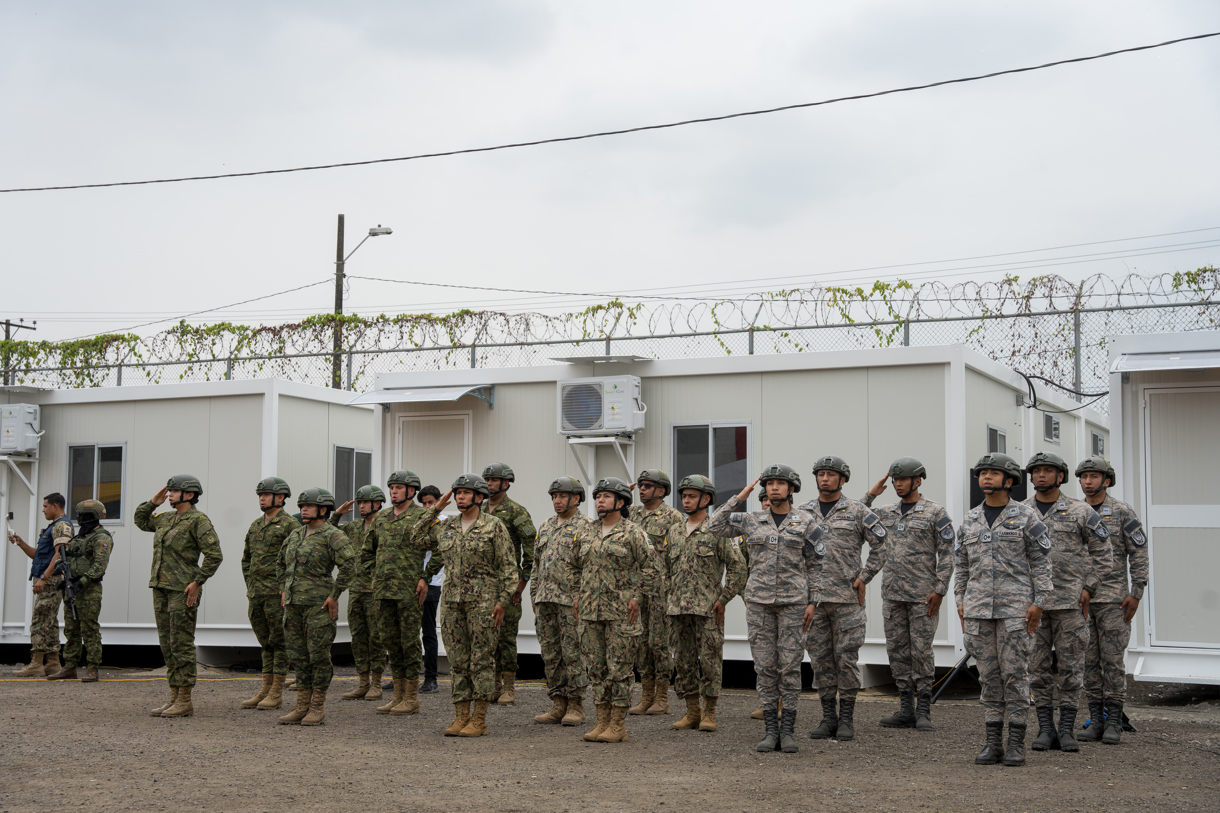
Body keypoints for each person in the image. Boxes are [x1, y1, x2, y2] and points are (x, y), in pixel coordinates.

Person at [710, 464, 818, 753]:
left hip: (794, 604)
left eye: (780, 484)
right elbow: (714, 525)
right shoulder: (751, 519)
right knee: (765, 667)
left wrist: (813, 601)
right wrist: (740, 496)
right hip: (758, 603)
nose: (773, 488)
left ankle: (788, 730)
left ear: (792, 489)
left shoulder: (807, 522)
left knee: (790, 666)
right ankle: (770, 730)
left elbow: (817, 566)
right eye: (769, 483)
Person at [955, 453, 1053, 767]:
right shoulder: (970, 519)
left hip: (1016, 611)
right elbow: (961, 565)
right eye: (982, 473)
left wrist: (1039, 603)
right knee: (989, 677)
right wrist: (961, 601)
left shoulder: (1027, 517)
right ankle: (992, 742)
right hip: (979, 611)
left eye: (993, 473)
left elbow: (1041, 564)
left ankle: (1016, 744)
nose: (985, 477)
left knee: (1016, 675)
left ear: (1009, 481)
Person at [1022, 451, 1113, 753]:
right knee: (1037, 669)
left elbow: (1104, 554)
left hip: (1070, 605)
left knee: (1073, 669)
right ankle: (1046, 729)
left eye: (1048, 471)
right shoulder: (1020, 512)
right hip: (1033, 607)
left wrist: (1090, 587)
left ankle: (1067, 729)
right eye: (1036, 471)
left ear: (1060, 476)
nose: (1041, 476)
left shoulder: (1080, 511)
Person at [416, 474, 517, 737]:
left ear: (480, 497)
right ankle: (461, 716)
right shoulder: (446, 526)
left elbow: (508, 568)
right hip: (452, 603)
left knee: (481, 661)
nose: (460, 497)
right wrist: (436, 508)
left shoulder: (494, 526)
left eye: (465, 492)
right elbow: (415, 536)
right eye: (457, 493)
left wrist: (503, 602)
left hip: (484, 604)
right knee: (458, 661)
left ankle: (479, 719)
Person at [798, 455, 887, 742]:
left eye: (831, 474)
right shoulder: (801, 512)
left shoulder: (858, 511)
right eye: (820, 474)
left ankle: (847, 719)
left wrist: (865, 576)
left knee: (846, 659)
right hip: (813, 601)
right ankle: (828, 718)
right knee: (820, 660)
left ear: (843, 479)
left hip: (846, 600)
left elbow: (882, 544)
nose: (825, 479)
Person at [862, 457, 955, 731]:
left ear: (918, 481)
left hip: (922, 596)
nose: (897, 484)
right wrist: (872, 494)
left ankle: (924, 709)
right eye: (894, 480)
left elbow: (948, 553)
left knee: (921, 652)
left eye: (903, 479)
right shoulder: (887, 511)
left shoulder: (935, 512)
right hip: (892, 595)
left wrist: (940, 589)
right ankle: (906, 709)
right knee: (898, 652)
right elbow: (854, 514)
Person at [135, 474, 224, 718]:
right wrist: (152, 503)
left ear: (190, 495)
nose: (169, 494)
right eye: (169, 491)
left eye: (174, 491)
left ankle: (185, 699)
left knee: (181, 643)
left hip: (183, 590)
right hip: (161, 588)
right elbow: (141, 521)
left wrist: (197, 582)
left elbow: (214, 555)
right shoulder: (164, 518)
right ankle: (173, 696)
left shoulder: (198, 520)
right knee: (167, 644)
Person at [665, 475, 747, 734]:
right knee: (683, 662)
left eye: (691, 496)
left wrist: (724, 599)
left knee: (710, 661)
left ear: (706, 499)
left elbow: (738, 567)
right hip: (678, 610)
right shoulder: (674, 531)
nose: (686, 501)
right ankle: (692, 711)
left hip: (707, 610)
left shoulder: (717, 530)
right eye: (684, 496)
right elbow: (667, 569)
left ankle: (709, 712)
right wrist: (669, 598)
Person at [1074, 456, 1148, 745]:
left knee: (1112, 661)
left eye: (1094, 476)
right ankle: (1096, 718)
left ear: (1106, 480)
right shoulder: (1072, 511)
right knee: (1088, 662)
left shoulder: (1121, 512)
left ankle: (1114, 721)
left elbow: (1139, 553)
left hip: (1114, 600)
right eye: (1084, 476)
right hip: (1079, 602)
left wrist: (1136, 593)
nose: (1088, 481)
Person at [572, 477, 649, 744]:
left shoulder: (633, 533)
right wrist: (576, 595)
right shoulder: (586, 531)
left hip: (620, 614)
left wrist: (637, 597)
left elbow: (651, 569)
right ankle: (601, 721)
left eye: (605, 496)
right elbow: (573, 566)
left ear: (620, 502)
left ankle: (618, 725)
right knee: (596, 668)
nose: (599, 501)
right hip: (591, 613)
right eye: (597, 496)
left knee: (620, 669)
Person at [276, 488, 357, 726]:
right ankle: (301, 706)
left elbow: (350, 566)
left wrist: (335, 595)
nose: (304, 509)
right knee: (298, 656)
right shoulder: (295, 534)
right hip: (293, 606)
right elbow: (280, 563)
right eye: (302, 506)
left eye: (309, 506)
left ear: (323, 510)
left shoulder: (333, 535)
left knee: (318, 656)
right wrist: (283, 588)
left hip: (318, 606)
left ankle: (317, 707)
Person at [364, 469, 432, 715]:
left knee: (409, 642)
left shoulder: (422, 516)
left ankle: (411, 698)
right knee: (390, 642)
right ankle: (398, 695)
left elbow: (441, 549)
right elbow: (366, 552)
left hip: (408, 590)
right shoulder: (381, 519)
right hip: (384, 591)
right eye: (391, 487)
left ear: (411, 491)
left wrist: (425, 577)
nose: (393, 491)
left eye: (398, 487)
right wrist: (374, 575)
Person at [532, 477, 591, 726]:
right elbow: (537, 562)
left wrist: (582, 597)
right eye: (554, 496)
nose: (557, 500)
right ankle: (558, 703)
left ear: (576, 498)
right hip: (546, 599)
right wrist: (534, 593)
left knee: (573, 654)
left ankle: (576, 705)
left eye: (562, 496)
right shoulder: (545, 526)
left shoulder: (587, 527)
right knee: (551, 654)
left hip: (571, 601)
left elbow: (589, 566)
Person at [239, 477, 301, 710]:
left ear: (281, 497)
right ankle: (265, 688)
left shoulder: (290, 525)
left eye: (265, 495)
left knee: (279, 642)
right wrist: (250, 584)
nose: (261, 498)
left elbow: (295, 560)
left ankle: (276, 691)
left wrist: (287, 588)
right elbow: (247, 558)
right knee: (265, 642)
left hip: (278, 594)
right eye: (260, 495)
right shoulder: (256, 525)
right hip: (257, 593)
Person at [626, 469, 683, 716]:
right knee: (640, 642)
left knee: (658, 643)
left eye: (647, 486)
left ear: (661, 490)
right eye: (640, 486)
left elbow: (680, 554)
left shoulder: (673, 517)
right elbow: (606, 521)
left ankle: (662, 697)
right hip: (635, 588)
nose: (642, 490)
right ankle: (646, 695)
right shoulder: (632, 514)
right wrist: (622, 496)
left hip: (661, 590)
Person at [482, 462, 537, 706]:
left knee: (505, 637)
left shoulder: (516, 511)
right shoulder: (479, 510)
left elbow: (531, 549)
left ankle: (508, 688)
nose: (489, 484)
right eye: (487, 480)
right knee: (485, 636)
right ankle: (492, 686)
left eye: (494, 480)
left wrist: (521, 583)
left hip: (508, 585)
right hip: (481, 587)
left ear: (506, 484)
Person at [45, 500, 113, 683]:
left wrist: (81, 583)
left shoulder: (101, 537)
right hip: (70, 588)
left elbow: (99, 566)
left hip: (88, 590)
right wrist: (61, 569)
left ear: (90, 516)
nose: (79, 519)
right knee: (71, 629)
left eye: (82, 515)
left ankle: (92, 668)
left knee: (89, 630)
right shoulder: (79, 538)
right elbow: (70, 558)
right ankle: (70, 667)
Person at [330, 485, 387, 701]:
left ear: (378, 504)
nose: (361, 506)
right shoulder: (353, 528)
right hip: (355, 590)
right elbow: (328, 533)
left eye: (365, 502)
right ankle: (362, 682)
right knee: (358, 637)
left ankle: (377, 683)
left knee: (376, 637)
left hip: (376, 591)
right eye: (359, 502)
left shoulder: (385, 526)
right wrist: (336, 515)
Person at [8, 493, 73, 677]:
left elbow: (60, 554)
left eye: (45, 506)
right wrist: (21, 543)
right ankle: (53, 663)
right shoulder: (53, 527)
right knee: (49, 621)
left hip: (51, 580)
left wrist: (44, 578)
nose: (43, 510)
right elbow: (39, 555)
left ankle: (36, 663)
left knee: (39, 619)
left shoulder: (62, 526)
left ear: (55, 506)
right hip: (48, 578)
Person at [417, 485, 444, 693]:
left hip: (432, 583)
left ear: (439, 502)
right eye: (424, 503)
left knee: (428, 632)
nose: (427, 507)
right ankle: (404, 677)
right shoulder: (418, 523)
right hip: (411, 582)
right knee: (406, 632)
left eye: (431, 502)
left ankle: (431, 677)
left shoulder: (442, 525)